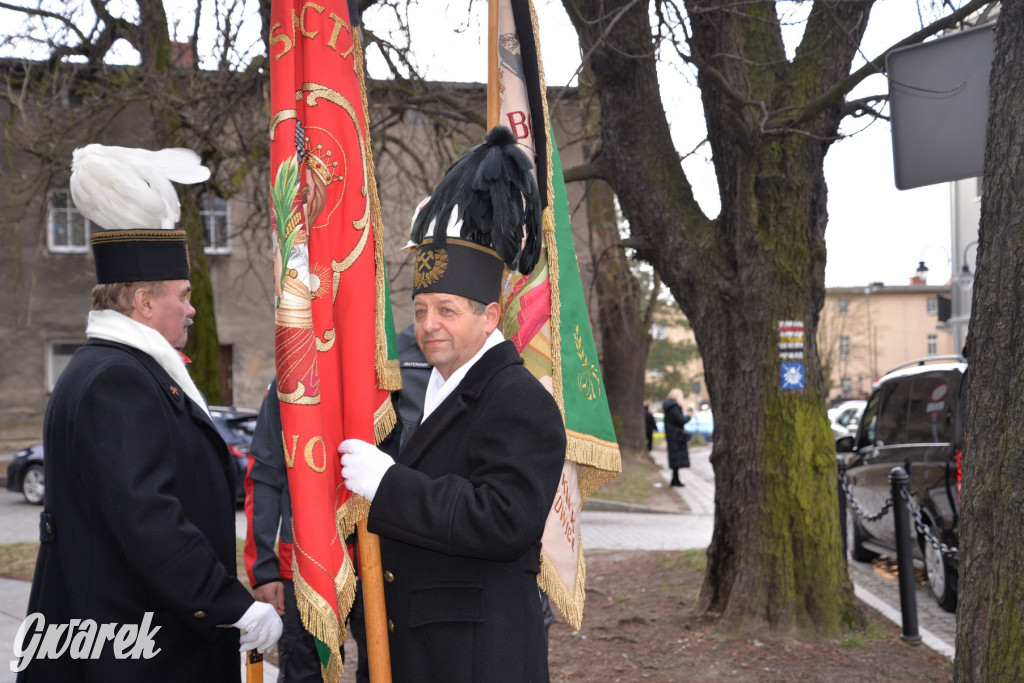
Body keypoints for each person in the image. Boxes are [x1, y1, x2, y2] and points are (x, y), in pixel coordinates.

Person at [17, 145, 281, 682]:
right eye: (182, 296)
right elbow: (148, 523)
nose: (191, 308)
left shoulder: (112, 370)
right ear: (142, 301)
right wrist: (230, 606)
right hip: (134, 652)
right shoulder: (117, 380)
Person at [338, 126, 565, 682]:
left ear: (490, 316)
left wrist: (389, 485)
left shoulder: (519, 400)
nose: (428, 325)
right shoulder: (422, 386)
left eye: (447, 309)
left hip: (474, 660)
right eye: (420, 310)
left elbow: (502, 521)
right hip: (415, 650)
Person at [245, 377, 359, 682]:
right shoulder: (291, 373)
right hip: (303, 563)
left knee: (383, 670)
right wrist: (263, 570)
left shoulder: (384, 363)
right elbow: (265, 475)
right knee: (304, 672)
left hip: (375, 554)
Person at [663, 388, 691, 487]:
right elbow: (681, 420)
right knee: (676, 458)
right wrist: (688, 416)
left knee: (674, 458)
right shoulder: (674, 408)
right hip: (676, 437)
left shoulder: (669, 407)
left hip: (672, 436)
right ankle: (675, 479)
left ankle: (675, 479)